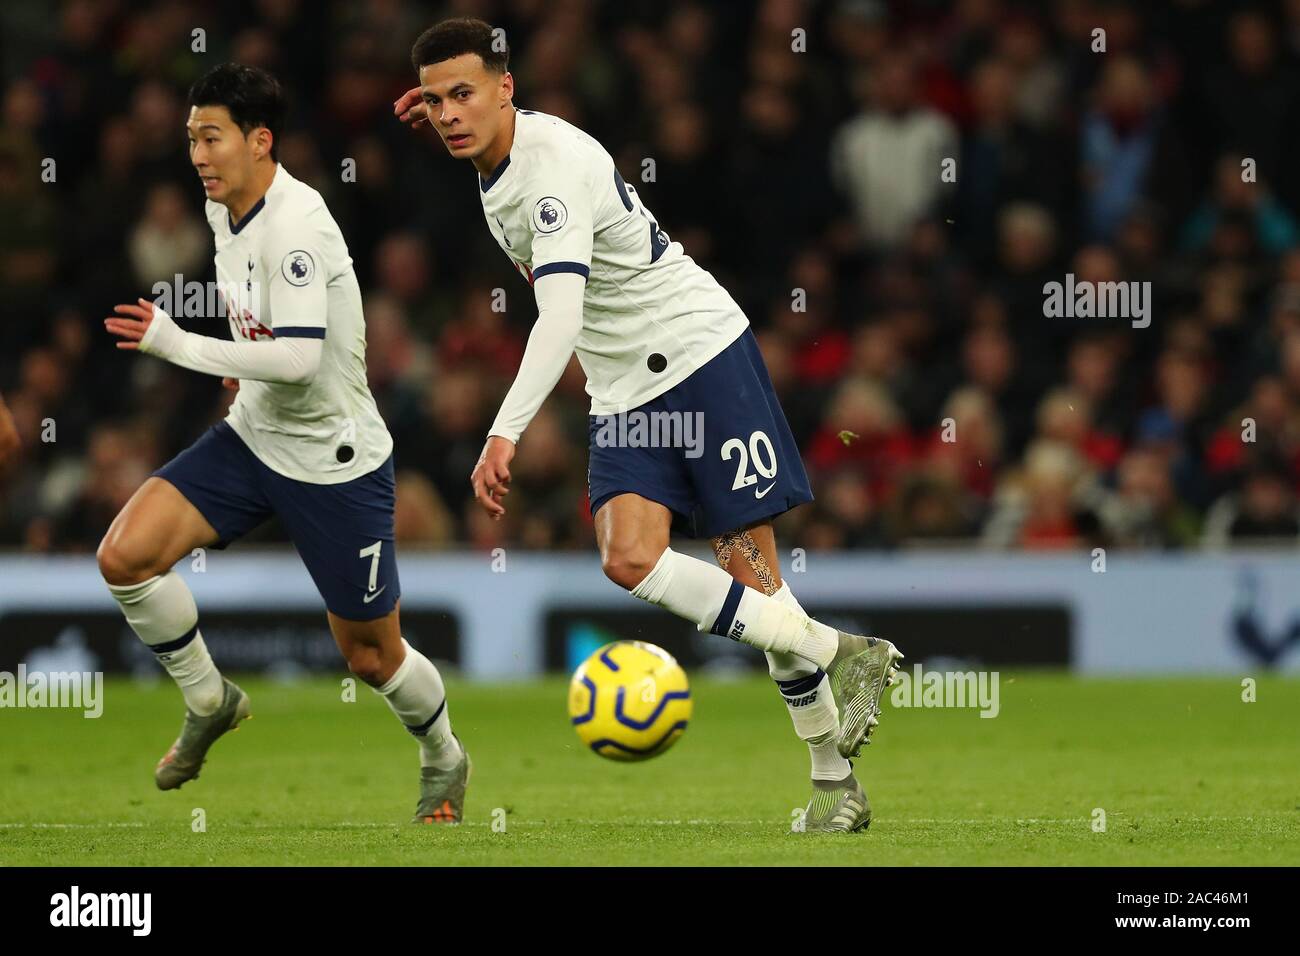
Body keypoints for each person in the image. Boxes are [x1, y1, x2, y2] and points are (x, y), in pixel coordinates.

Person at [394, 18, 902, 833]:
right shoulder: (493, 162)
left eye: (465, 95)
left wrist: (503, 431)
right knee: (629, 557)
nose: (450, 113)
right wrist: (444, 105)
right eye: (435, 100)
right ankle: (841, 652)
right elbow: (564, 304)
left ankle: (834, 785)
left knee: (754, 580)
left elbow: (557, 319)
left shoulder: (551, 174)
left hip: (701, 358)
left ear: (507, 89)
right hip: (626, 388)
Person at [100, 63, 467, 824]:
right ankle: (210, 699)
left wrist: (178, 343)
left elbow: (301, 358)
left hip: (335, 460)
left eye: (211, 138)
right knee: (125, 557)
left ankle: (444, 756)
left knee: (370, 658)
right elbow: (268, 337)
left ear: (259, 140)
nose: (197, 155)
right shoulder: (221, 209)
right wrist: (241, 369)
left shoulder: (297, 223)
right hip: (253, 437)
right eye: (191, 139)